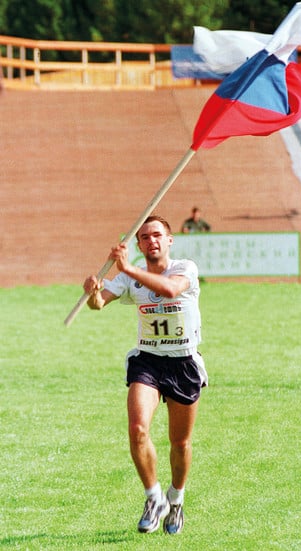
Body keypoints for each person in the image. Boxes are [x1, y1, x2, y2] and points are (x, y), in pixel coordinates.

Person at [83, 215, 208, 535]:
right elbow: (99, 305)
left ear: (169, 241)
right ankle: (154, 498)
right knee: (138, 428)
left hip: (183, 364)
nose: (151, 241)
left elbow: (168, 290)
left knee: (179, 443)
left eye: (157, 235)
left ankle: (176, 501)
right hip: (148, 361)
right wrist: (92, 293)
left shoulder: (185, 269)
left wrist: (126, 268)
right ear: (138, 245)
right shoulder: (130, 278)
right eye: (144, 237)